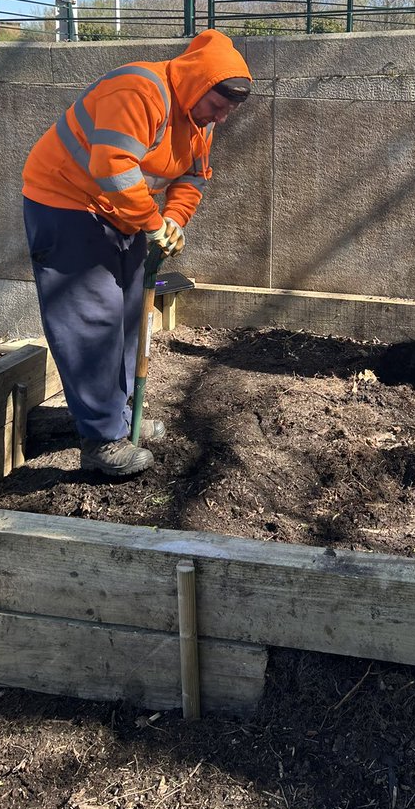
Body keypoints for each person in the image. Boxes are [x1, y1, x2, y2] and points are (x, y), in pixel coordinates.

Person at [22, 29, 252, 475]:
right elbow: (113, 165)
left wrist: (174, 222)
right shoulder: (140, 90)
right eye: (217, 106)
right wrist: (152, 222)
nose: (221, 118)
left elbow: (193, 177)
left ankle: (121, 416)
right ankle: (102, 441)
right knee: (92, 319)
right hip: (66, 204)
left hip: (120, 214)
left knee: (127, 314)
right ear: (196, 84)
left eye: (230, 110)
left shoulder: (198, 121)